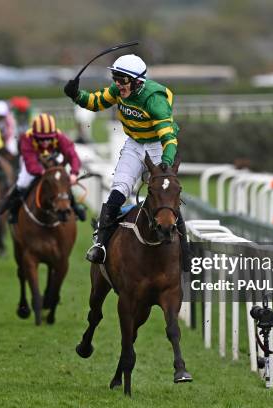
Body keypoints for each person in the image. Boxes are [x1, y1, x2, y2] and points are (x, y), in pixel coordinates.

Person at [63, 54, 189, 267]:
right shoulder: (119, 90)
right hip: (134, 144)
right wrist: (76, 94)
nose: (117, 84)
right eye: (115, 78)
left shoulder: (154, 100)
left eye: (122, 79)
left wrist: (166, 162)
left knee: (164, 194)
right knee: (118, 189)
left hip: (158, 145)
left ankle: (186, 254)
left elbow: (168, 137)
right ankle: (100, 246)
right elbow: (94, 102)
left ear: (137, 81)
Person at [0, 113, 86, 224]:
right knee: (22, 183)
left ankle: (75, 206)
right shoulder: (27, 138)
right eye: (41, 139)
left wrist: (73, 173)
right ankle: (13, 209)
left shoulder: (60, 137)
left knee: (61, 182)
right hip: (33, 162)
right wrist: (43, 172)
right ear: (35, 135)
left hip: (52, 161)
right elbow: (31, 163)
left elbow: (72, 155)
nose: (45, 142)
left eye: (48, 139)